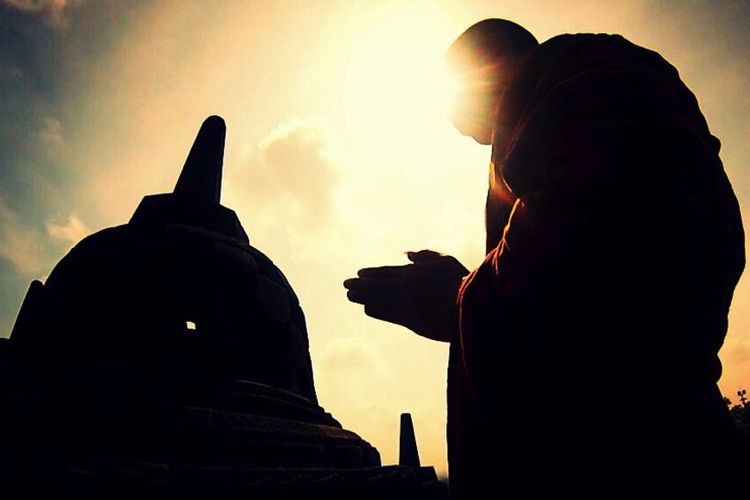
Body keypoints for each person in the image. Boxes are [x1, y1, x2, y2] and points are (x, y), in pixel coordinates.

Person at [344, 19, 745, 496]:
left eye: (479, 131)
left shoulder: (592, 81)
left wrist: (457, 299)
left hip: (641, 458)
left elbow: (594, 266)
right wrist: (471, 286)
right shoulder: (577, 101)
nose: (488, 146)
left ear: (486, 82)